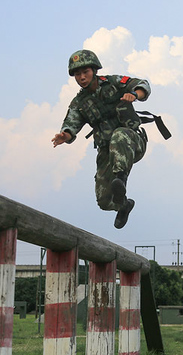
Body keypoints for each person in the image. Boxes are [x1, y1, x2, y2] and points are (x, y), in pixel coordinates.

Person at [52, 49, 150, 229]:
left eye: (85, 72)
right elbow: (71, 123)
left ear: (94, 70)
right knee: (104, 200)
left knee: (118, 135)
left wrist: (134, 94)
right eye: (77, 74)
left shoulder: (112, 82)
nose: (82, 77)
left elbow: (143, 84)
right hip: (107, 150)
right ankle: (123, 204)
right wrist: (64, 135)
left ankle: (120, 178)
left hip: (131, 141)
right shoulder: (79, 102)